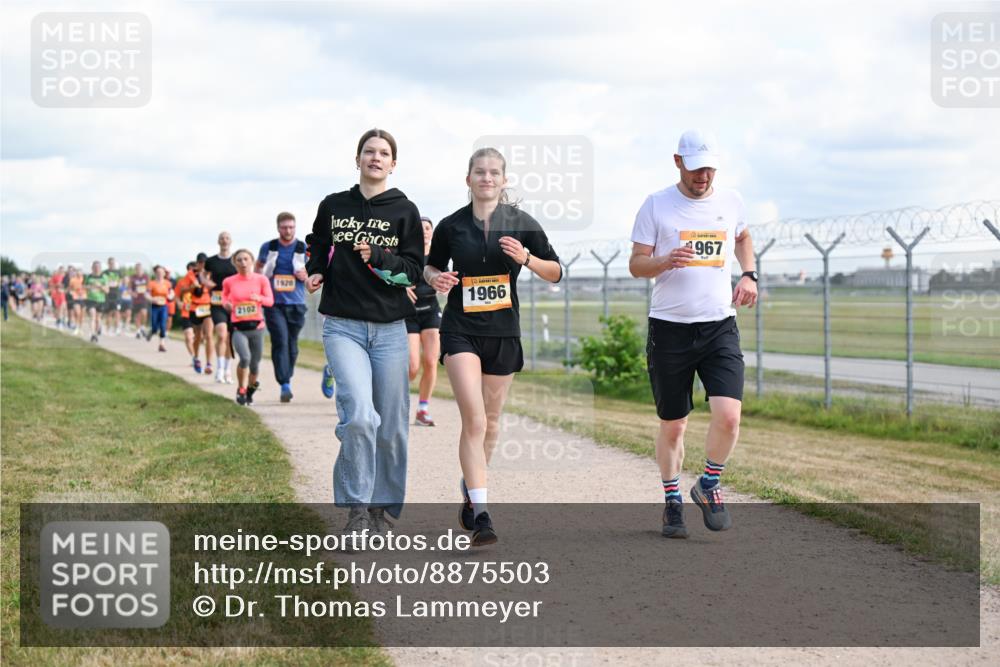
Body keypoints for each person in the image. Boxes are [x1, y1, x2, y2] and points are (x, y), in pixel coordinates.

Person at [425, 147, 563, 546]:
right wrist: (437, 278)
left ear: (504, 181)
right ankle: (483, 515)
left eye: (494, 173)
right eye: (479, 172)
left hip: (503, 332)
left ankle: (471, 488)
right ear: (468, 179)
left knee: (493, 421)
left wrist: (527, 257)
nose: (486, 178)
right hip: (460, 329)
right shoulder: (452, 225)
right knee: (475, 420)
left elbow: (555, 272)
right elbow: (432, 265)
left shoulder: (522, 223)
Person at [628, 129, 758, 539]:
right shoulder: (656, 205)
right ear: (678, 161)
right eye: (696, 167)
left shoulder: (731, 200)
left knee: (729, 416)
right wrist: (664, 261)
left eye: (710, 168)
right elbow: (636, 264)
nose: (704, 175)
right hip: (669, 328)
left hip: (719, 324)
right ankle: (671, 500)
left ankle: (709, 484)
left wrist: (750, 274)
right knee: (674, 425)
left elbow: (742, 235)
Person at [305, 128, 424, 540]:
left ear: (393, 163)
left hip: (391, 327)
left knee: (390, 426)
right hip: (343, 325)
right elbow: (317, 242)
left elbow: (411, 270)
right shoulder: (334, 205)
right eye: (369, 151)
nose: (376, 158)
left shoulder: (404, 210)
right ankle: (356, 508)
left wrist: (379, 255)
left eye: (384, 153)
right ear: (357, 159)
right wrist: (317, 267)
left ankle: (380, 509)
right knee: (358, 416)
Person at [256, 212, 309, 403]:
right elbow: (257, 270)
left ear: (295, 227)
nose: (288, 230)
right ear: (278, 228)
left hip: (296, 303)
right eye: (284, 227)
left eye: (291, 227)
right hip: (274, 304)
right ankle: (284, 384)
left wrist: (306, 275)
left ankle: (287, 375)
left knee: (292, 345)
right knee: (280, 341)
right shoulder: (269, 247)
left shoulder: (303, 248)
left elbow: (314, 272)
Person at [223, 249, 275, 405]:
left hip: (257, 327)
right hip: (239, 328)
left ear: (252, 260)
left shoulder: (261, 280)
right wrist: (226, 304)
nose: (243, 263)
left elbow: (270, 301)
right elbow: (224, 297)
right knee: (244, 358)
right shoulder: (229, 281)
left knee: (254, 364)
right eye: (239, 260)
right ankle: (241, 389)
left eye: (246, 259)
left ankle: (250, 389)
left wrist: (258, 298)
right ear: (235, 263)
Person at [406, 216, 442, 426]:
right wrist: (401, 286)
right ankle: (394, 398)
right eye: (420, 228)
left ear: (432, 232)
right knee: (412, 366)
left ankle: (422, 409)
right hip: (409, 312)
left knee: (430, 361)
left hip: (431, 310)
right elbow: (393, 274)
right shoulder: (407, 253)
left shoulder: (438, 255)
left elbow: (444, 275)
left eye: (428, 228)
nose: (424, 231)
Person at [206, 232, 237, 383]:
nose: (224, 240)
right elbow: (203, 276)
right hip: (217, 303)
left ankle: (228, 370)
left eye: (227, 238)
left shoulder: (236, 260)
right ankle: (219, 369)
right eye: (222, 238)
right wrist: (206, 283)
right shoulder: (211, 261)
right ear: (218, 241)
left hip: (233, 303)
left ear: (230, 241)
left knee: (231, 338)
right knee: (222, 335)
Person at [177, 253, 215, 374]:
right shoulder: (190, 275)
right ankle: (196, 358)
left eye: (205, 263)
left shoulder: (211, 274)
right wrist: (191, 288)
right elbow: (182, 291)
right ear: (198, 263)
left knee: (209, 335)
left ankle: (209, 363)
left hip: (208, 307)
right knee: (197, 336)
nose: (203, 266)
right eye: (201, 263)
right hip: (195, 308)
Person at [147, 265, 172, 352]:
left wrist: (171, 296)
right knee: (154, 326)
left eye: (162, 272)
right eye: (158, 272)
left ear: (164, 273)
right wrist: (152, 299)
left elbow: (171, 293)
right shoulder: (151, 283)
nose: (160, 274)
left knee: (162, 325)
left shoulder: (168, 283)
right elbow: (146, 294)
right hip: (154, 306)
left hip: (163, 306)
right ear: (155, 273)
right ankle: (152, 332)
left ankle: (161, 344)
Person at [83, 261, 107, 342]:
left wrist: (100, 286)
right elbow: (84, 287)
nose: (96, 269)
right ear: (92, 268)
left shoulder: (104, 277)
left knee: (98, 319)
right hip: (91, 300)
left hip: (101, 300)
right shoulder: (89, 276)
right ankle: (93, 334)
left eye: (98, 267)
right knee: (92, 316)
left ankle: (96, 334)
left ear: (100, 268)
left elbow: (107, 290)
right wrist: (89, 287)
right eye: (95, 267)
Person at [102, 257, 124, 335]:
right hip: (108, 295)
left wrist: (117, 284)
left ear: (114, 263)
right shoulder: (104, 272)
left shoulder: (118, 272)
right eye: (110, 263)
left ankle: (117, 328)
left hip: (116, 294)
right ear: (108, 263)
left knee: (117, 311)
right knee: (108, 313)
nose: (111, 264)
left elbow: (121, 282)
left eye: (113, 263)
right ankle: (108, 328)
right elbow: (103, 283)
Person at [130, 262, 150, 339]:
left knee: (144, 313)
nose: (138, 270)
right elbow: (129, 289)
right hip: (136, 299)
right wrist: (132, 293)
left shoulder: (146, 277)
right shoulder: (132, 277)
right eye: (137, 269)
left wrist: (147, 292)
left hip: (144, 298)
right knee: (137, 316)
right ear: (135, 269)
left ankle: (142, 327)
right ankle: (138, 331)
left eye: (140, 269)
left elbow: (149, 287)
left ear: (142, 269)